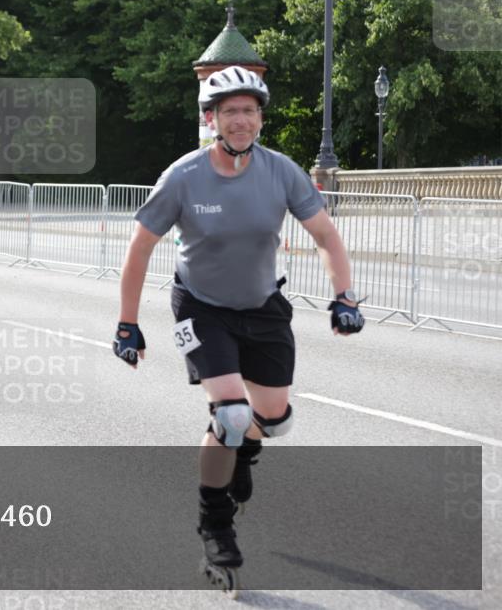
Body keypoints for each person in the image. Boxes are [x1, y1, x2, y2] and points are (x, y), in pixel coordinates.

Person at [113, 65, 364, 589]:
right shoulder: (182, 177)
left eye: (250, 110)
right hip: (200, 307)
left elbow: (325, 236)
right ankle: (215, 526)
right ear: (212, 119)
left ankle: (244, 451)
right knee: (229, 414)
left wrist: (344, 297)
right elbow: (139, 250)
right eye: (230, 111)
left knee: (274, 418)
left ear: (260, 118)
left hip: (264, 305)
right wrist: (128, 324)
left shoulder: (281, 171)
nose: (241, 120)